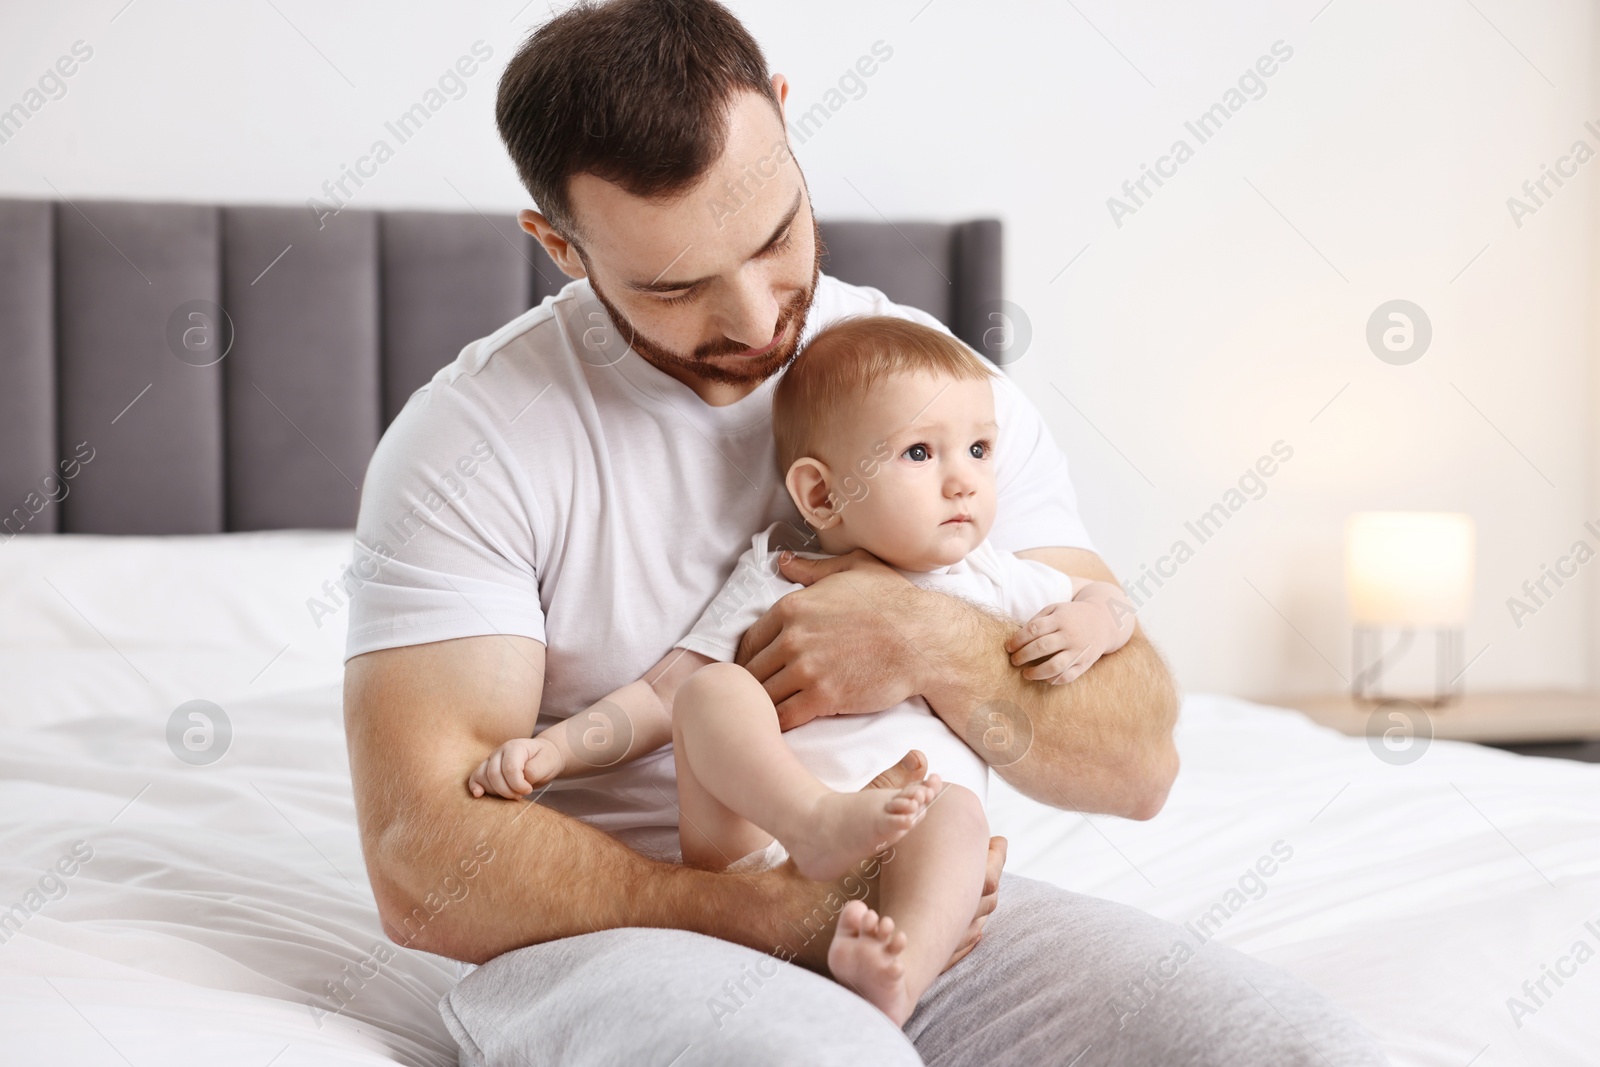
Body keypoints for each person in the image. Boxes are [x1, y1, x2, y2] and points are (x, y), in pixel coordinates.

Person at [342, 0, 1389, 1061]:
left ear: (787, 121)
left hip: (916, 905)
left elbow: (1135, 763)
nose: (754, 320)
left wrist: (924, 640)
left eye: (773, 236)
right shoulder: (469, 443)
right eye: (676, 285)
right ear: (559, 244)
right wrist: (751, 910)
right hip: (618, 926)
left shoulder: (929, 389)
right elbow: (426, 861)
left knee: (1293, 1046)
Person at [466, 316, 1137, 1025]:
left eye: (978, 449)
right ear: (820, 496)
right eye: (919, 451)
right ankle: (816, 819)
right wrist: (557, 748)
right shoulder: (782, 570)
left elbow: (1112, 602)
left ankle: (897, 971)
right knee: (710, 688)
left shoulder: (991, 580)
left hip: (897, 870)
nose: (963, 481)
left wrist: (1095, 623)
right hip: (753, 857)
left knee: (960, 815)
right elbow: (663, 693)